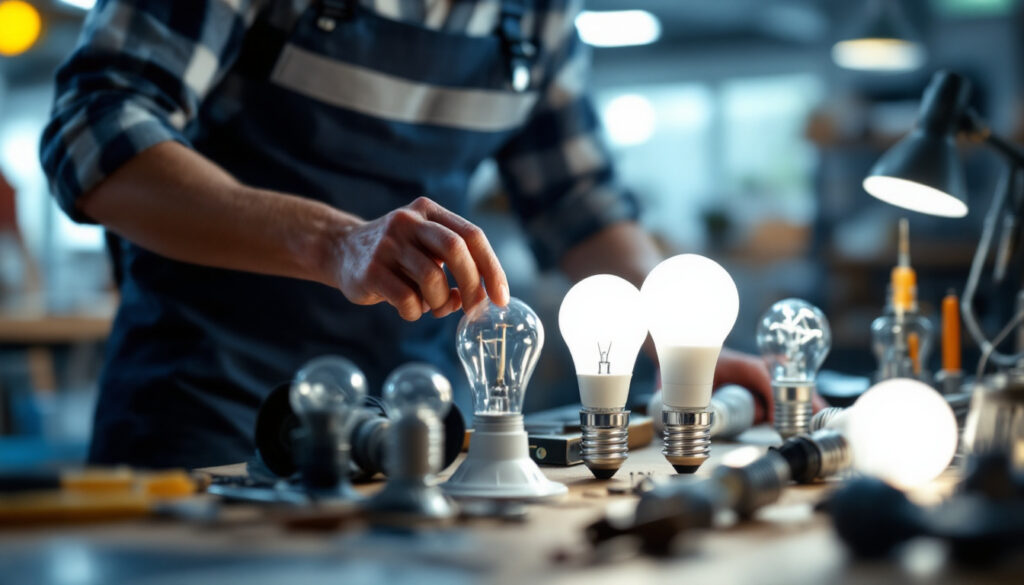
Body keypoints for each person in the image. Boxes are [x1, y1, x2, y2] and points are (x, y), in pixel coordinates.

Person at [40, 0, 779, 469]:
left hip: (418, 426)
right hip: (206, 416)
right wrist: (336, 243)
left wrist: (680, 352)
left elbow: (580, 205)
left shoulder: (540, 16)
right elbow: (94, 132)